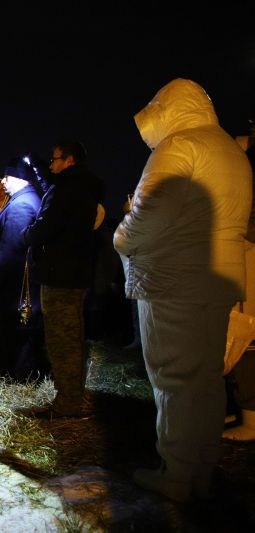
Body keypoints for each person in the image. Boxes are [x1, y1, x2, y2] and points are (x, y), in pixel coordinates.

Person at [113, 79, 251, 502]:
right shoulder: (229, 150)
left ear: (168, 109)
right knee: (206, 379)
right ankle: (202, 470)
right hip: (218, 280)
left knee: (173, 379)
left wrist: (120, 238)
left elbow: (147, 214)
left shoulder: (178, 147)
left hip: (172, 280)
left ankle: (175, 474)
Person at [21, 141, 105, 418]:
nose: (51, 164)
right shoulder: (79, 185)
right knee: (68, 338)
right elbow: (54, 192)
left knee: (63, 341)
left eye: (55, 159)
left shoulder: (68, 188)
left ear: (69, 160)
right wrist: (37, 165)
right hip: (71, 272)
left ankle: (69, 403)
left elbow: (49, 224)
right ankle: (70, 396)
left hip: (61, 275)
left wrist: (26, 236)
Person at [0, 157, 48, 387]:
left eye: (6, 177)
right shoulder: (27, 199)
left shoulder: (21, 205)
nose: (3, 183)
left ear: (18, 179)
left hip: (14, 283)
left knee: (18, 330)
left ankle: (21, 376)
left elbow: (11, 246)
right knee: (21, 329)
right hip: (19, 281)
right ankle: (21, 374)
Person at [223, 121, 255, 442]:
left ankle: (252, 420)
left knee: (247, 341)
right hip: (244, 258)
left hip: (249, 260)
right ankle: (242, 408)